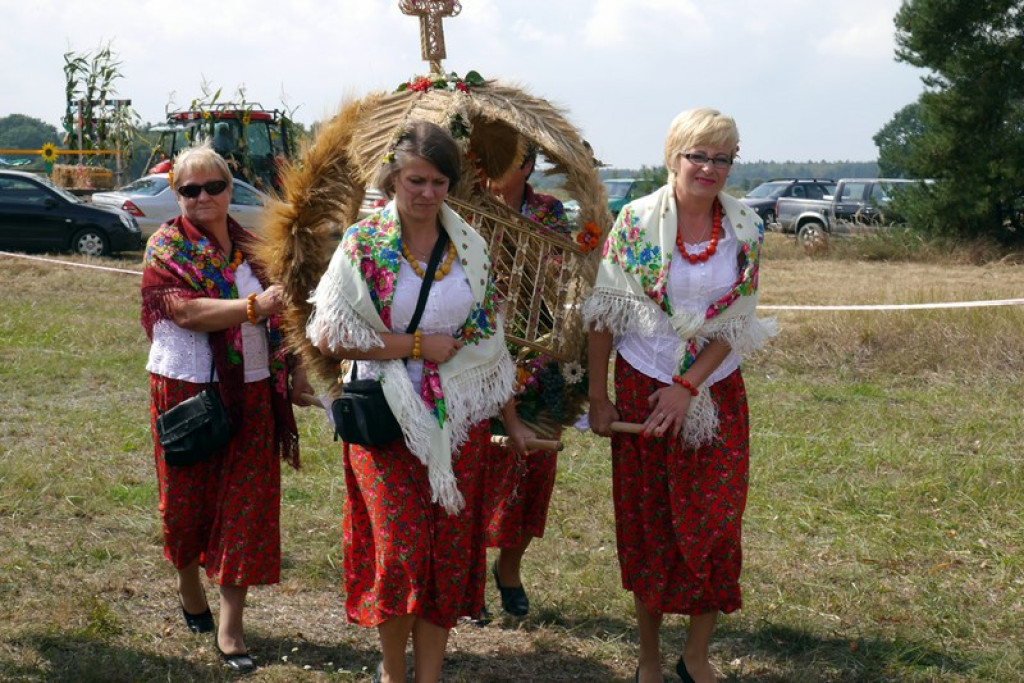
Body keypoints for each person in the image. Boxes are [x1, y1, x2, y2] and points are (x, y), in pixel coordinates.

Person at [306, 120, 534, 683]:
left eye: (437, 181)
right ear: (393, 179)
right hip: (388, 417)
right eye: (415, 180)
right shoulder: (363, 245)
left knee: (449, 556)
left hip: (459, 423)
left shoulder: (471, 247)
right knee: (402, 552)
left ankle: (428, 676)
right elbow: (327, 335)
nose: (426, 193)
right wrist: (411, 346)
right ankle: (392, 673)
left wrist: (506, 413)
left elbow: (490, 340)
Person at [584, 108, 775, 683]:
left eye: (723, 157)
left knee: (716, 522)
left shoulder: (746, 226)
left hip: (715, 389)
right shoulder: (636, 222)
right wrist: (599, 396)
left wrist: (688, 387)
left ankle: (695, 656)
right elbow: (604, 317)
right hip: (642, 384)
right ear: (674, 157)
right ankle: (647, 658)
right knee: (649, 522)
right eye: (699, 155)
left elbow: (737, 323)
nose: (710, 167)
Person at [141, 141, 315, 674]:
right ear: (177, 194)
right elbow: (185, 312)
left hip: (256, 390)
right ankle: (189, 582)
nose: (203, 197)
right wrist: (249, 307)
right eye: (190, 189)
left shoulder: (254, 246)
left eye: (214, 186)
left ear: (228, 189)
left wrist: (297, 367)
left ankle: (230, 625)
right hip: (187, 388)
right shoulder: (165, 246)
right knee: (184, 504)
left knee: (247, 506)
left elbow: (285, 314)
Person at [482, 143, 570, 617]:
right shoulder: (461, 203)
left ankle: (509, 566)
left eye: (507, 159)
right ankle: (467, 573)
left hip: (536, 355)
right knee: (474, 466)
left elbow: (561, 270)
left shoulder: (548, 211)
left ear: (528, 166)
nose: (493, 168)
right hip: (472, 352)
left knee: (533, 467)